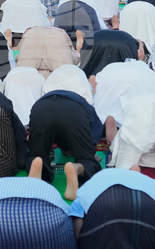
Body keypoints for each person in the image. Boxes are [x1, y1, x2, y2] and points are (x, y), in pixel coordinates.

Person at [29, 66, 103, 198]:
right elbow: (94, 133)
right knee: (88, 161)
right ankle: (76, 168)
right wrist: (89, 153)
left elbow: (45, 131)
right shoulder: (82, 101)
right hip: (74, 112)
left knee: (36, 155)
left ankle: (38, 165)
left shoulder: (47, 94)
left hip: (40, 108)